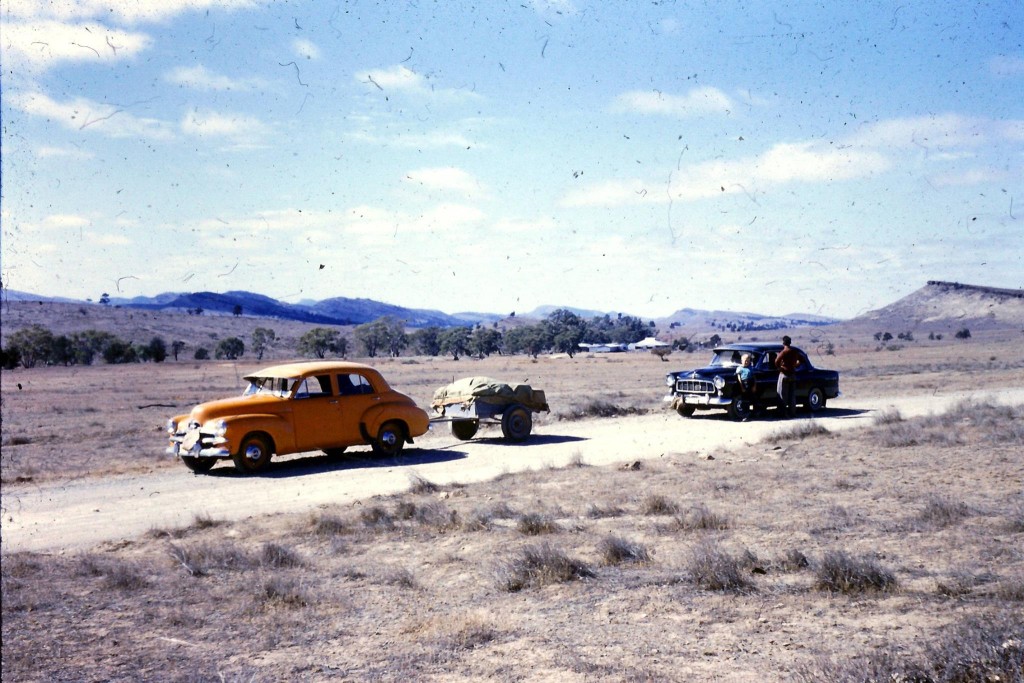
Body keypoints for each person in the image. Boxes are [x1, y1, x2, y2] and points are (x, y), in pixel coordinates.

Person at [774, 335, 802, 417]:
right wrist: (795, 365)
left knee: (782, 395)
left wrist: (780, 368)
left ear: (783, 343)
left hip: (784, 375)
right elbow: (801, 360)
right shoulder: (794, 352)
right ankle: (792, 413)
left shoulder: (784, 352)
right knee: (792, 395)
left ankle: (782, 413)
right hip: (793, 374)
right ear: (790, 342)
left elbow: (776, 361)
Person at [734, 353, 757, 420]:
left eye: (748, 360)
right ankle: (745, 415)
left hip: (751, 384)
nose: (746, 362)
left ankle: (753, 414)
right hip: (744, 384)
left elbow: (754, 377)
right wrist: (742, 387)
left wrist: (754, 386)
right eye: (745, 360)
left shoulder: (751, 368)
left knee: (752, 400)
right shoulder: (739, 368)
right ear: (741, 360)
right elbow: (739, 378)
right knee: (744, 401)